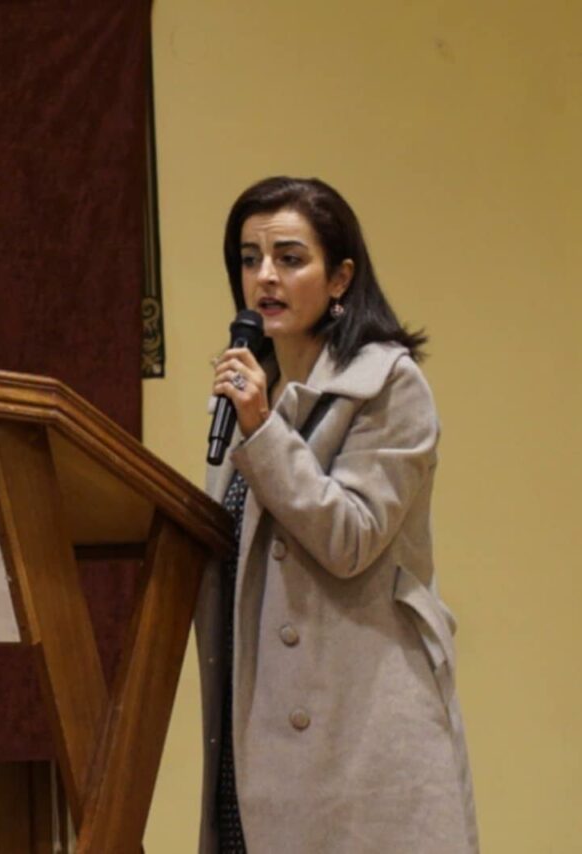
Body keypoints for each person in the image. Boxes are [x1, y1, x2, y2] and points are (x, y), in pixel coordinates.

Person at [199, 176, 478, 853]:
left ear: (340, 278)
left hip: (357, 746)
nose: (265, 276)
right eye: (249, 258)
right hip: (256, 733)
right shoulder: (252, 397)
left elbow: (351, 538)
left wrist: (262, 427)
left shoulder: (388, 385)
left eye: (290, 258)